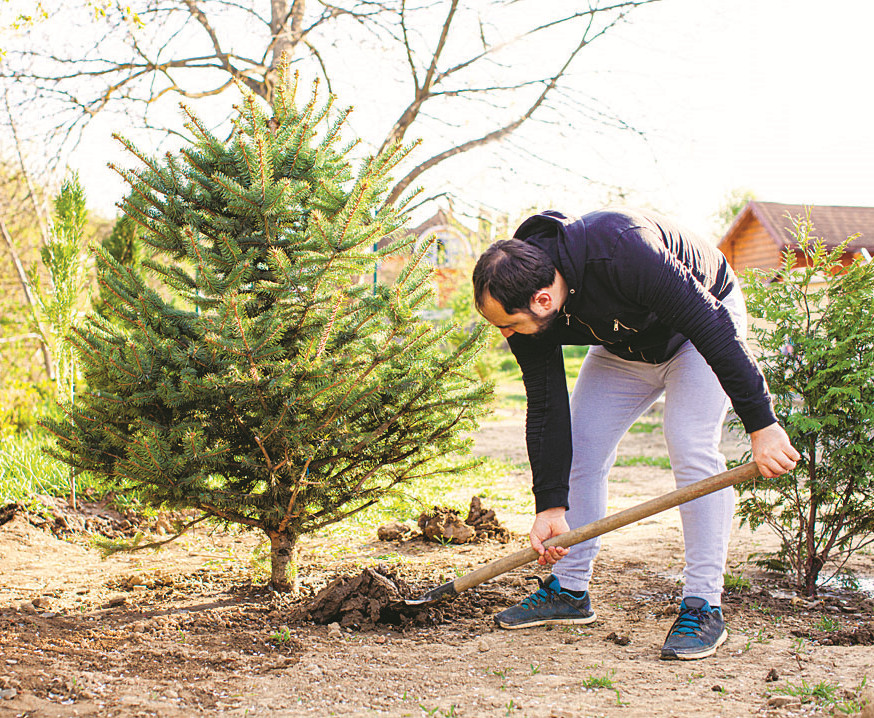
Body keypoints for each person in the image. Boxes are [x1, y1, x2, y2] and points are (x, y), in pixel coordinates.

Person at [472, 208, 799, 660]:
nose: (505, 334)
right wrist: (550, 505)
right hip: (625, 344)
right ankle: (569, 591)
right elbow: (546, 405)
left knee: (689, 442)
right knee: (582, 448)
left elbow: (712, 328)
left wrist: (763, 425)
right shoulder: (524, 291)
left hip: (698, 331)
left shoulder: (623, 248)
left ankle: (703, 604)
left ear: (543, 301)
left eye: (507, 324)